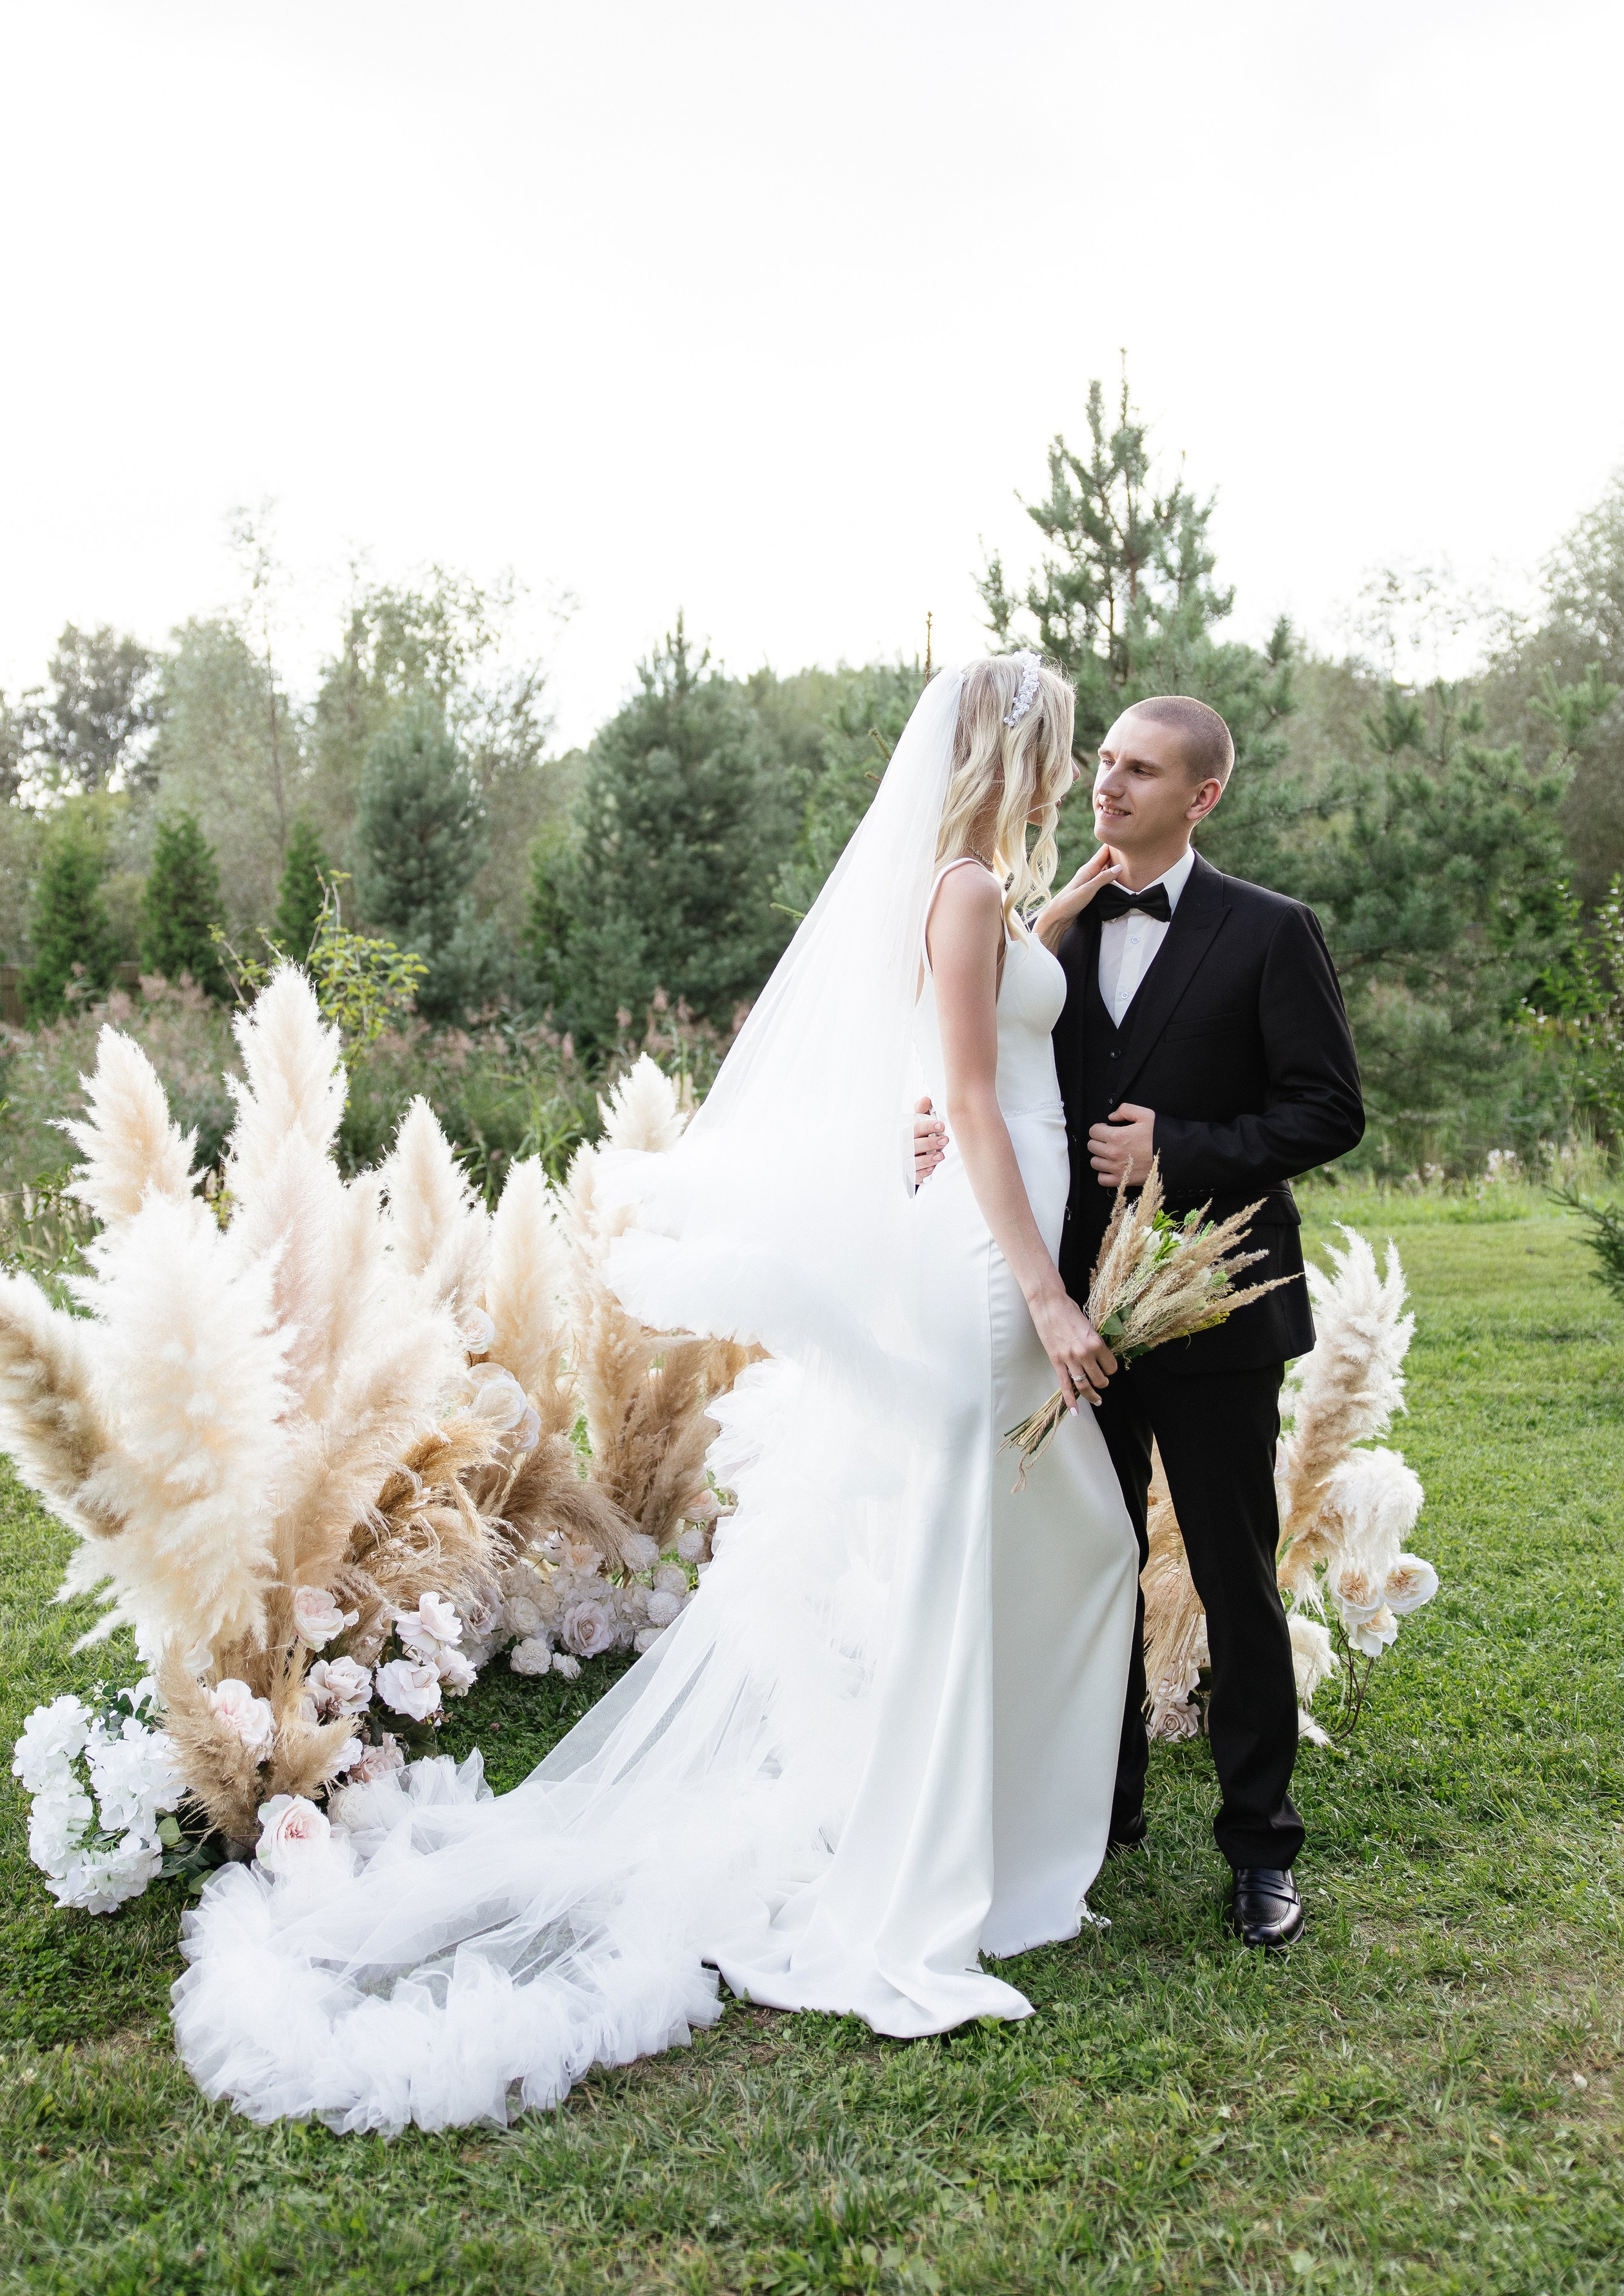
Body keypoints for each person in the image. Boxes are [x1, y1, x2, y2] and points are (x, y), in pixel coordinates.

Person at [170, 654, 1139, 2135]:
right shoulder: (955, 894)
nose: (1073, 775)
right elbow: (965, 1098)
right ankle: (921, 1885)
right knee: (990, 1542)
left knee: (1055, 1537)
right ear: (1018, 754)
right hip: (990, 1263)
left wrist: (1053, 914)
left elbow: (991, 1002)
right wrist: (1051, 1295)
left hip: (1001, 1239)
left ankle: (995, 1849)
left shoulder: (981, 895)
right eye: (1063, 750)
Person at [1039, 695, 1363, 1949]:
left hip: (1215, 1302)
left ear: (1201, 796)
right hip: (1074, 1313)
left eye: (1140, 769)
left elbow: (1325, 1109)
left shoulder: (1271, 931)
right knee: (1091, 1563)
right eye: (1104, 761)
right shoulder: (1055, 926)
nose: (1108, 785)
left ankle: (1260, 1848)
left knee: (1234, 1574)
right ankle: (1099, 1812)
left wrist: (1177, 1149)